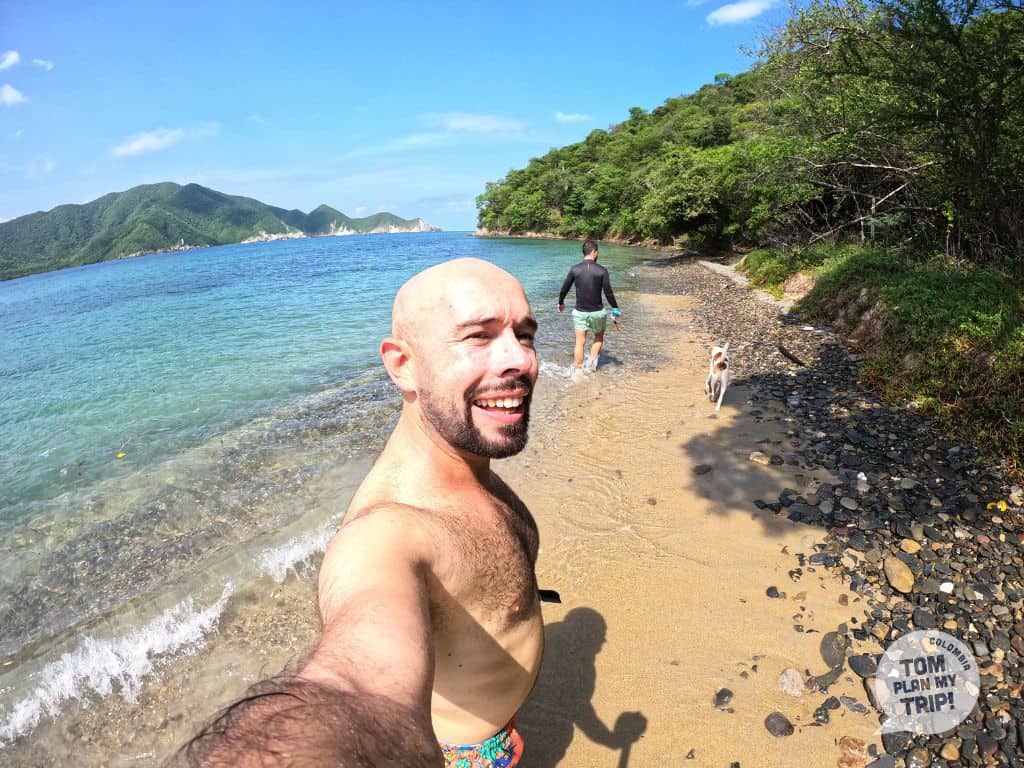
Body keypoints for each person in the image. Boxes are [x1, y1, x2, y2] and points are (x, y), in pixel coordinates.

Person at [182, 258, 543, 768]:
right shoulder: (386, 535)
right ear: (402, 365)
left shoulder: (466, 460)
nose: (520, 360)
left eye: (524, 335)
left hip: (503, 725)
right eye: (479, 337)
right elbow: (357, 683)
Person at [557, 239, 620, 374]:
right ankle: (591, 366)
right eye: (597, 252)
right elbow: (608, 292)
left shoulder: (575, 269)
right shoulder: (602, 270)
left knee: (580, 342)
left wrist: (561, 302)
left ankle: (578, 371)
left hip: (579, 312)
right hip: (597, 312)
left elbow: (564, 288)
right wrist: (615, 308)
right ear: (594, 252)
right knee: (598, 337)